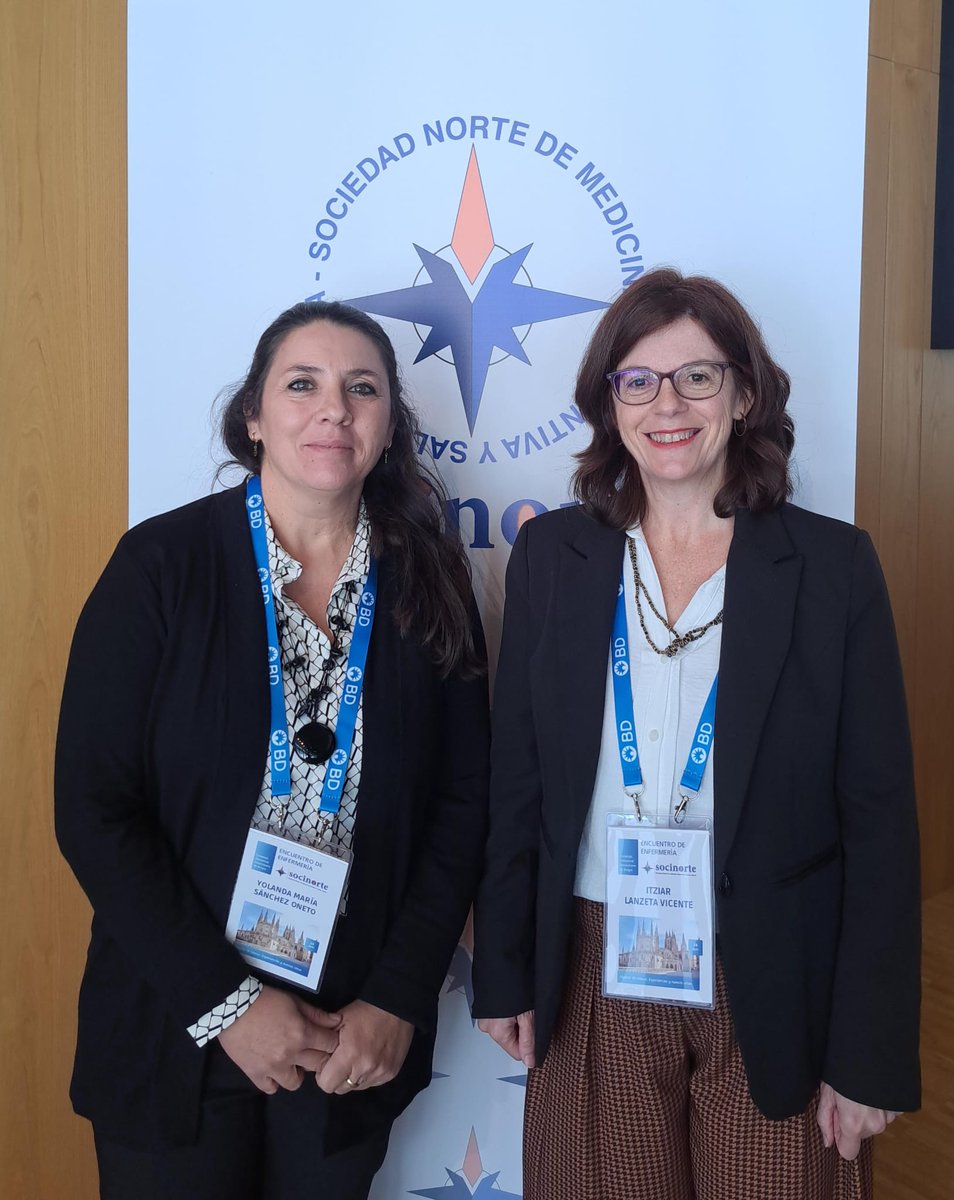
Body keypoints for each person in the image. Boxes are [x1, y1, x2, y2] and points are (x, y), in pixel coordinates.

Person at [471, 269, 920, 1200]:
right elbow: (518, 777)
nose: (666, 405)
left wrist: (868, 1052)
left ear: (745, 394)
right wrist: (505, 970)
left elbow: (879, 821)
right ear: (608, 403)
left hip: (776, 971)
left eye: (698, 378)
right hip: (594, 963)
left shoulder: (832, 568)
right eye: (637, 381)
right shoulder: (556, 555)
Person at [55, 301, 489, 1200]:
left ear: (387, 426)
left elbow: (464, 804)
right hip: (175, 1027)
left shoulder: (429, 578)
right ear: (253, 415)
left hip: (348, 1041)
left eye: (361, 389)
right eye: (303, 385)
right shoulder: (160, 566)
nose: (333, 409)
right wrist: (230, 1006)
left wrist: (399, 996)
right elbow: (94, 809)